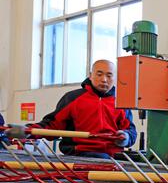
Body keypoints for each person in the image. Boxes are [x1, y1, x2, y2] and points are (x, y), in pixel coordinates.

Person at [7, 60, 137, 159]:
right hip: (79, 154)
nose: (104, 79)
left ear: (115, 78)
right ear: (91, 75)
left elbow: (131, 132)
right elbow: (53, 125)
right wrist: (28, 131)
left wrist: (125, 137)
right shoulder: (73, 98)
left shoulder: (121, 102)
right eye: (99, 74)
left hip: (112, 157)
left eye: (109, 75)